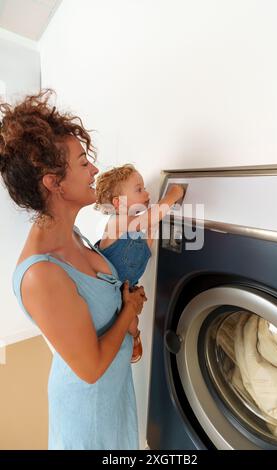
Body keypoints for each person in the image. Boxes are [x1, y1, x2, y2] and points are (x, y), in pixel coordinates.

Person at [0, 89, 147, 450]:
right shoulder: (40, 275)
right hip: (88, 421)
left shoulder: (75, 236)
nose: (95, 169)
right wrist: (130, 309)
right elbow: (91, 367)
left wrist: (131, 331)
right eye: (83, 163)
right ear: (53, 182)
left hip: (115, 396)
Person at [94, 164, 184, 363]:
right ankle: (130, 338)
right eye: (139, 189)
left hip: (126, 289)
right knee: (124, 323)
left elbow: (149, 230)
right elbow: (149, 219)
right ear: (118, 204)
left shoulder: (136, 225)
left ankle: (133, 336)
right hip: (107, 292)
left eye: (144, 188)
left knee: (131, 321)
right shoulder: (116, 222)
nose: (146, 192)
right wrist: (172, 195)